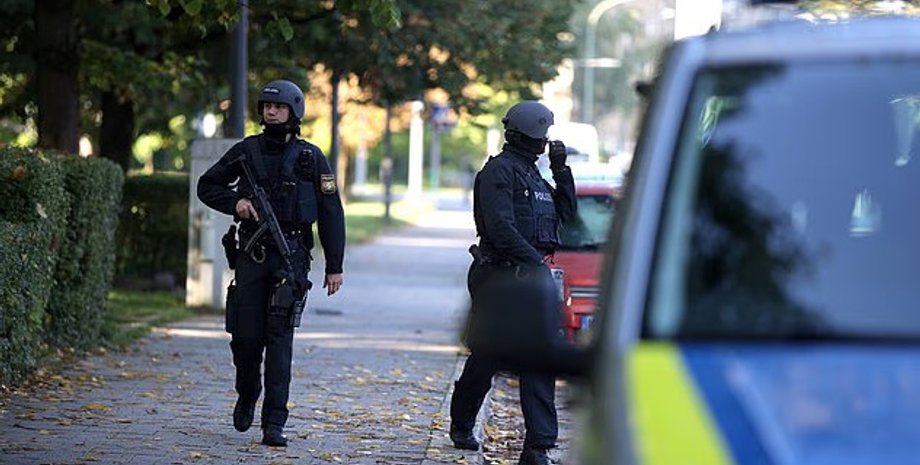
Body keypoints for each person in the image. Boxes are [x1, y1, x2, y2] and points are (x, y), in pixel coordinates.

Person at [197, 79, 345, 447]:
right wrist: (236, 204)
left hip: (291, 258)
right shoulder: (246, 151)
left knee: (280, 340)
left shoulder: (312, 158)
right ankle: (248, 393)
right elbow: (207, 185)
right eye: (266, 106)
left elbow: (330, 211)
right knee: (245, 338)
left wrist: (335, 265)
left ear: (294, 112)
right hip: (252, 255)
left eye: (278, 107)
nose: (271, 111)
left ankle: (274, 422)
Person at [449, 101, 576, 465]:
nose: (547, 141)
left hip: (530, 276)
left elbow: (566, 217)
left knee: (539, 357)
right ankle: (461, 422)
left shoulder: (535, 176)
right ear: (531, 135)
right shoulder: (498, 173)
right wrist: (533, 262)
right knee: (488, 356)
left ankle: (537, 448)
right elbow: (499, 227)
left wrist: (561, 170)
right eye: (544, 136)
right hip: (500, 275)